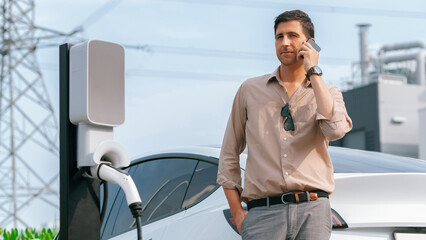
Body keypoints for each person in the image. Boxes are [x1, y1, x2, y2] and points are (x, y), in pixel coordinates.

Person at [217, 9, 353, 240]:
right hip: (263, 215)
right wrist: (238, 213)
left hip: (313, 211)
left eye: (292, 35)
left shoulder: (328, 92)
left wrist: (314, 73)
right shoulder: (250, 90)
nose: (285, 43)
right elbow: (229, 154)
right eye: (279, 37)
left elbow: (336, 130)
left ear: (310, 44)